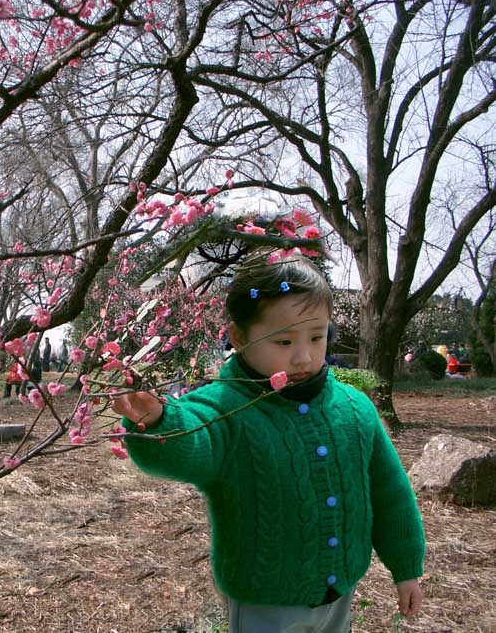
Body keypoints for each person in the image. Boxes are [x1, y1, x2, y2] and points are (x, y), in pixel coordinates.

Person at [112, 252, 425, 633]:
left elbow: (389, 491)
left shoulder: (355, 408)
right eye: (282, 341)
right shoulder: (226, 407)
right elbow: (192, 439)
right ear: (240, 337)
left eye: (317, 337)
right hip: (264, 599)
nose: (303, 356)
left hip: (340, 589)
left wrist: (406, 566)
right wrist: (159, 421)